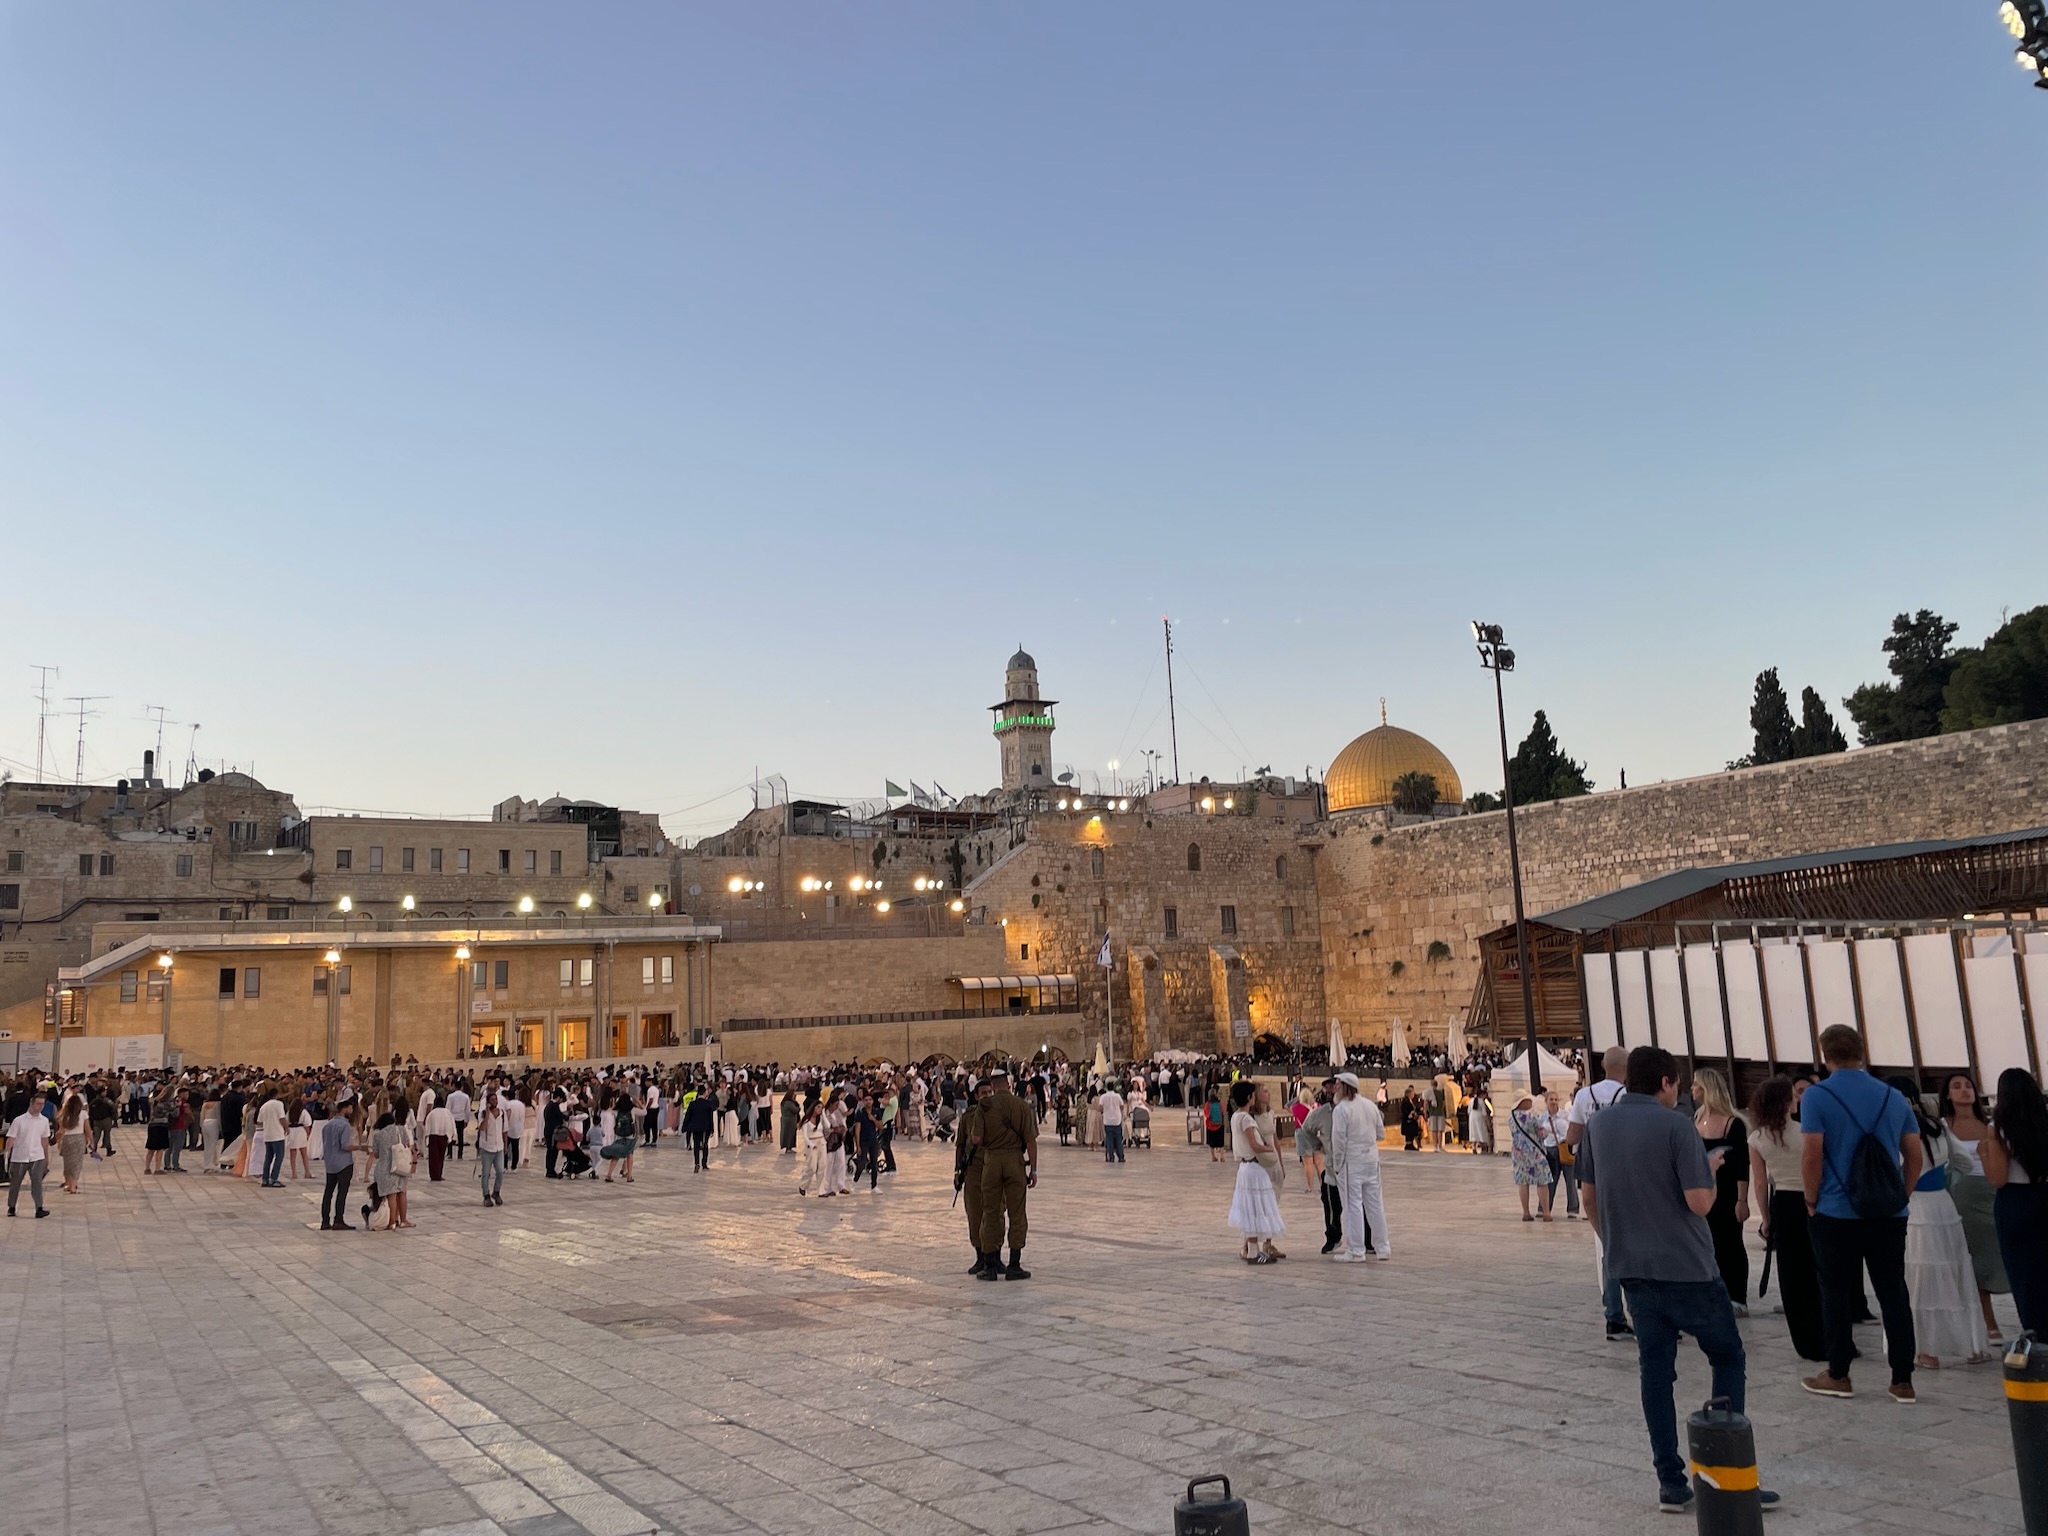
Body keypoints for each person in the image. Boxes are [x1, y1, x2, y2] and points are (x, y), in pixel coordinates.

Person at [1578, 1046, 1781, 1517]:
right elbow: (1699, 1204)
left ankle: (1670, 1481)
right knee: (1727, 1355)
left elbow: (1589, 1197)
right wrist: (1708, 1173)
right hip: (1688, 1269)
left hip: (1633, 1270)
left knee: (1656, 1372)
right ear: (1667, 1082)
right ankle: (1725, 1473)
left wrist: (1615, 1240)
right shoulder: (1676, 1127)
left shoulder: (1598, 1126)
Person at [1798, 1024, 1921, 1404]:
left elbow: (1812, 1154)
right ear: (1862, 1051)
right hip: (1887, 1212)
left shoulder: (1817, 1096)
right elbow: (1914, 1154)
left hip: (1836, 1209)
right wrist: (1901, 1193)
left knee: (1834, 1290)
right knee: (1893, 1291)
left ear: (1825, 1054)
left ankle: (1838, 1373)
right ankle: (1902, 1379)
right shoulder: (1893, 1096)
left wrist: (1811, 1199)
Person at [1887, 1075, 1991, 1368]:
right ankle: (1972, 1346)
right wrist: (1946, 1181)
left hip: (1914, 1208)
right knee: (1956, 1270)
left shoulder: (1893, 1130)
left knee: (1920, 1277)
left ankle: (1926, 1350)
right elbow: (1965, 1163)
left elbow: (1895, 1169)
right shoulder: (1939, 1127)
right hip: (1944, 1205)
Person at [1748, 1076, 1825, 1361]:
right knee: (1819, 1270)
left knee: (1792, 1275)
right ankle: (1828, 1335)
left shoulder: (1757, 1138)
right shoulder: (1807, 1130)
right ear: (1785, 1101)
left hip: (1783, 1203)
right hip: (1813, 1199)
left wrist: (1766, 1219)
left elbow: (1759, 1183)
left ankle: (1805, 1342)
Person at [1567, 1045, 1632, 1341]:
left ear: (1603, 1064)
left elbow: (1573, 1137)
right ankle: (1636, 1311)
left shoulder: (1584, 1095)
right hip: (1623, 1172)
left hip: (1592, 1174)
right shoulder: (1628, 1097)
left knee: (1608, 1248)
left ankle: (1613, 1314)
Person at [1940, 1073, 2008, 1345]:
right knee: (1975, 1257)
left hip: (1994, 1189)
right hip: (1963, 1194)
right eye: (1957, 1086)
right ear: (1947, 1094)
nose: (1964, 1090)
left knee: (2002, 1252)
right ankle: (1989, 1321)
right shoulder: (1944, 1126)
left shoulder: (1990, 1124)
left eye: (1968, 1085)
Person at [1983, 1066, 2048, 1335]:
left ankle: (2036, 1330)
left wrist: (1985, 1153)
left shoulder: (1998, 1129)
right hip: (2044, 1195)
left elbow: (1998, 1178)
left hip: (2015, 1201)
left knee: (2023, 1273)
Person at [1691, 1068, 1751, 1313]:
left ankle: (1737, 1295)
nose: (1692, 1089)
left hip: (1727, 1193)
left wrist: (1742, 1199)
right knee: (1707, 1242)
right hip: (1704, 1190)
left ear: (1708, 1090)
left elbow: (1741, 1166)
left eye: (1696, 1085)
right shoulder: (1695, 1119)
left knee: (1731, 1242)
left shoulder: (1732, 1124)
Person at [974, 1069, 1037, 1281]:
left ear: (992, 1085)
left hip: (991, 1162)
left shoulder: (984, 1106)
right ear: (1008, 1084)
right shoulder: (1021, 1106)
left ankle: (990, 1266)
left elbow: (976, 1139)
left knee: (991, 1212)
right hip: (1015, 1163)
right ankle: (1014, 1265)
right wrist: (1034, 1170)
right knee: (1017, 1213)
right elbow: (1031, 1141)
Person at [1329, 1072, 1389, 1262]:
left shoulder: (1341, 1109)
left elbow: (1338, 1140)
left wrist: (1337, 1164)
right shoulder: (1370, 1106)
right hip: (1371, 1160)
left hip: (1351, 1162)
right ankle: (1383, 1247)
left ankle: (1356, 1250)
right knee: (1375, 1205)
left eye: (1338, 1084)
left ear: (1345, 1086)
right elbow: (1380, 1133)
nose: (1335, 1088)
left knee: (1352, 1205)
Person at [1227, 1081, 1286, 1264]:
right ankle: (1253, 1252)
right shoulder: (1246, 1119)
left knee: (1250, 1209)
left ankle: (1253, 1250)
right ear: (1249, 1097)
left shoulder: (1236, 1116)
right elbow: (1254, 1145)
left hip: (1244, 1168)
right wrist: (1268, 1149)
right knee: (1256, 1208)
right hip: (1253, 1167)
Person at [957, 1079, 993, 1273]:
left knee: (995, 1214)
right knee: (975, 1213)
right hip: (973, 1170)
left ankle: (994, 1256)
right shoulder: (968, 1117)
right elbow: (960, 1145)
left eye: (990, 1092)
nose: (987, 1096)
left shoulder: (1001, 1114)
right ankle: (980, 1256)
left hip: (994, 1169)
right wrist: (957, 1171)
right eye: (983, 1093)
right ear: (977, 1096)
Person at [7, 1088, 52, 1217]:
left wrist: (46, 1157)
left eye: (42, 1104)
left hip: (36, 1156)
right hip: (19, 1156)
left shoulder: (44, 1121)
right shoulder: (19, 1120)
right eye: (38, 1104)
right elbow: (12, 1138)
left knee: (37, 1183)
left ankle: (39, 1208)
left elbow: (44, 1140)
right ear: (32, 1104)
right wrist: (7, 1152)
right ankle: (11, 1206)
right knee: (15, 1184)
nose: (40, 1107)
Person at [1507, 1092, 1552, 1222]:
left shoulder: (1511, 1118)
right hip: (1535, 1153)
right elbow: (1543, 1133)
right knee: (1542, 1182)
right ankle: (1546, 1212)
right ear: (1522, 1102)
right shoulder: (1531, 1117)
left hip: (1518, 1153)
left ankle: (1526, 1212)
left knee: (1523, 1182)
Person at [370, 1111, 414, 1230]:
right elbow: (408, 1145)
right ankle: (403, 1220)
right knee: (402, 1193)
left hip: (384, 1168)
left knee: (391, 1195)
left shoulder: (378, 1135)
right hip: (400, 1166)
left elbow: (376, 1154)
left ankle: (392, 1221)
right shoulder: (401, 1130)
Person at [320, 1103, 357, 1230]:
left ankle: (325, 1221)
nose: (351, 1111)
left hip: (330, 1162)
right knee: (342, 1192)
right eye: (351, 1108)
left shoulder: (328, 1125)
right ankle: (338, 1219)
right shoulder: (345, 1125)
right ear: (345, 1109)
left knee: (328, 1191)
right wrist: (359, 1147)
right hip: (343, 1163)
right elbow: (345, 1146)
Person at [476, 1092, 506, 1206]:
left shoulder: (501, 1113)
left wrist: (505, 1144)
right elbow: (482, 1128)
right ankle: (486, 1195)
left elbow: (504, 1130)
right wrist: (487, 1113)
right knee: (486, 1173)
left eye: (496, 1099)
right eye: (492, 1100)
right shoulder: (483, 1114)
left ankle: (496, 1192)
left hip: (499, 1147)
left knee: (500, 1171)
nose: (494, 1101)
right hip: (487, 1147)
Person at [55, 1091, 88, 1195]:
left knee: (67, 1162)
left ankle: (68, 1184)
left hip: (66, 1139)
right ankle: (73, 1187)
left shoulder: (64, 1113)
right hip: (78, 1138)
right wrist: (91, 1140)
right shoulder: (82, 1114)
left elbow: (61, 1131)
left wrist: (59, 1142)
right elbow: (87, 1129)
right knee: (76, 1163)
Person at [256, 1084, 289, 1188]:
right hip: (277, 1134)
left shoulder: (263, 1106)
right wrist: (286, 1127)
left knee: (268, 1157)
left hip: (267, 1134)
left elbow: (259, 1121)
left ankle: (265, 1179)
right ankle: (274, 1178)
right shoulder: (278, 1104)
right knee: (279, 1156)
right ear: (277, 1095)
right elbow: (282, 1118)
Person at [797, 1100, 826, 1195]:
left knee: (822, 1166)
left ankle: (821, 1190)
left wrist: (824, 1115)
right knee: (812, 1167)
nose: (820, 1109)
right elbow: (805, 1136)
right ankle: (803, 1185)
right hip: (811, 1143)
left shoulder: (820, 1119)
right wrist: (810, 1144)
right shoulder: (807, 1121)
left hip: (821, 1142)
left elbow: (828, 1126)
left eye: (821, 1107)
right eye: (818, 1107)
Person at [424, 1096, 455, 1181]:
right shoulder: (447, 1113)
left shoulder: (432, 1113)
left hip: (433, 1136)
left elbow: (427, 1126)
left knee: (433, 1157)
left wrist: (426, 1137)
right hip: (444, 1137)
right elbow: (451, 1124)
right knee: (441, 1157)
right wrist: (452, 1135)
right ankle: (439, 1174)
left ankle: (434, 1175)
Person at [1099, 1082, 1127, 1163]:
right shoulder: (1117, 1096)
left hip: (1107, 1120)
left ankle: (1111, 1157)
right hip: (1117, 1120)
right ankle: (1121, 1157)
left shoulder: (1103, 1097)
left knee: (1109, 1139)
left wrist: (1105, 1111)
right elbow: (1122, 1106)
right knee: (1118, 1139)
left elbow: (1100, 1107)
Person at [1204, 1088, 1227, 1162]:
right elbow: (1223, 1112)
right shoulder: (1220, 1103)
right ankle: (1222, 1157)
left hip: (1210, 1125)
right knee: (1221, 1142)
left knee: (1212, 1142)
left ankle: (1213, 1157)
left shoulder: (1208, 1104)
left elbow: (1206, 1114)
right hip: (1220, 1125)